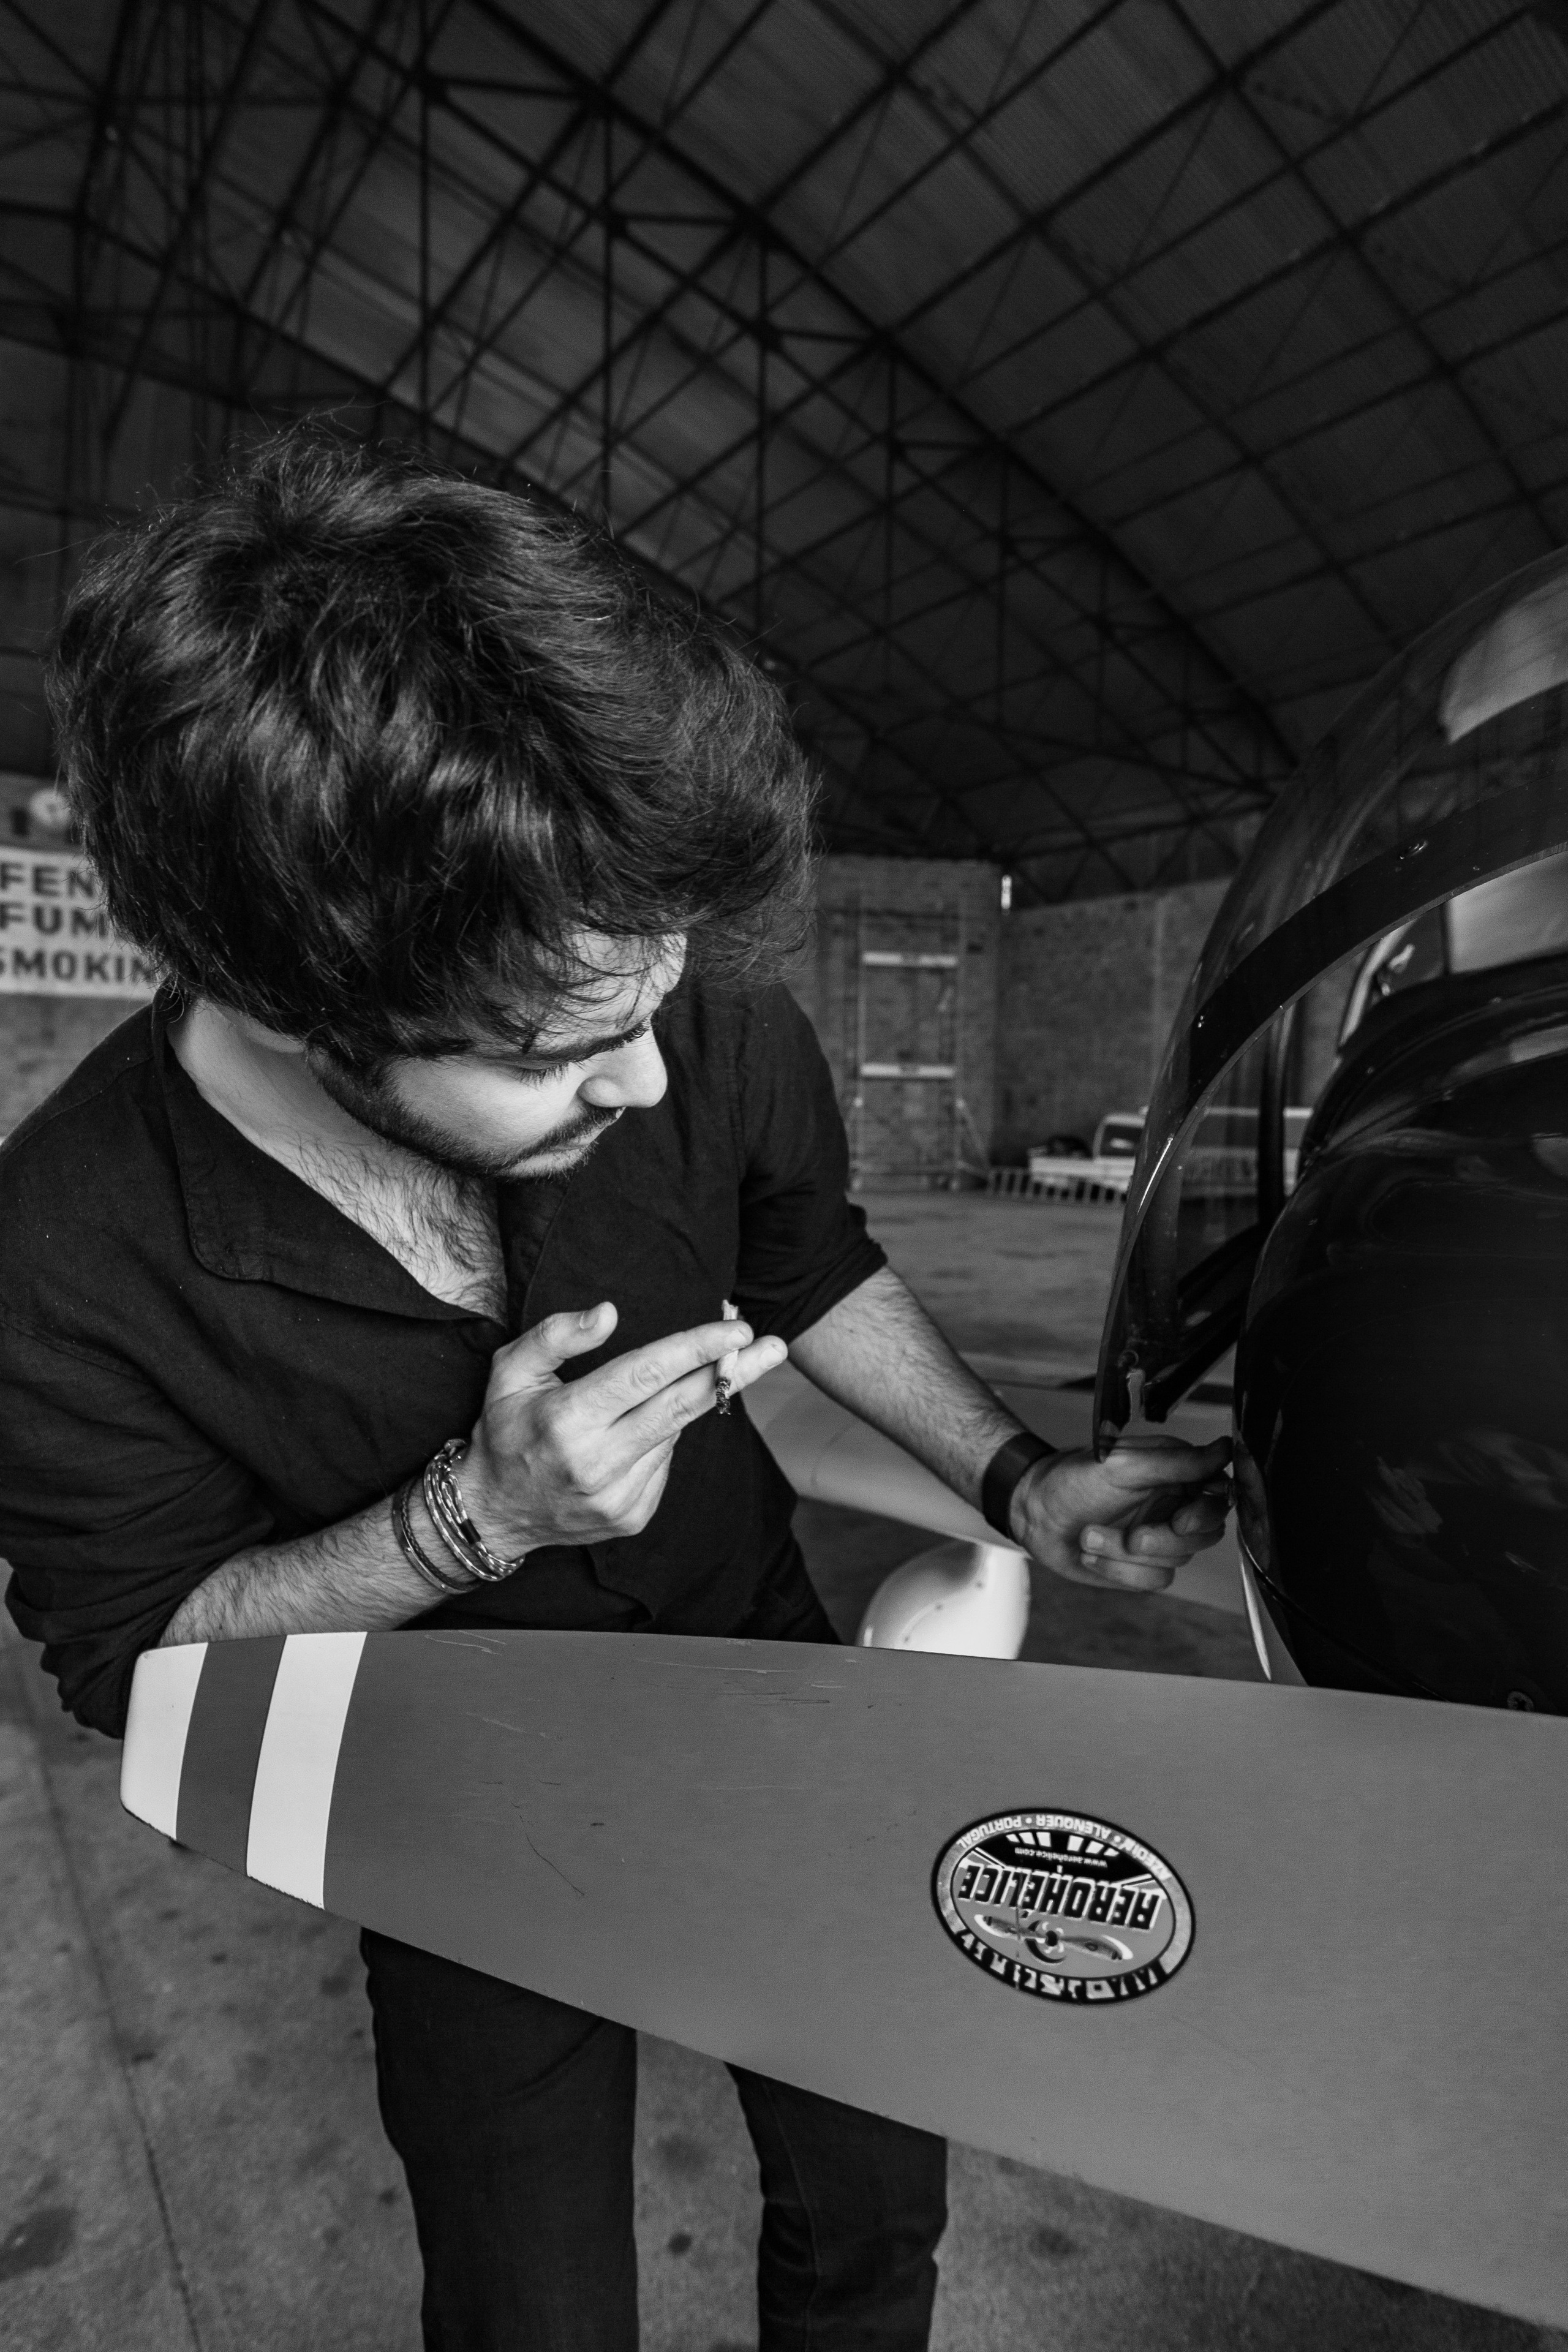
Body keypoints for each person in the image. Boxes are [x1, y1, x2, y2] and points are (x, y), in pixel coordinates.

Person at [0, 433, 1230, 2352]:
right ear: (299, 1003)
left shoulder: (686, 1003)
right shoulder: (67, 1249)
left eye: (657, 999)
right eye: (560, 1048)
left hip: (769, 1677)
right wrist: (469, 1523)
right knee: (530, 2302)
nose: (649, 1079)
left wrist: (1014, 1482)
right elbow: (138, 1653)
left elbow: (810, 1264)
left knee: (872, 2215)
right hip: (459, 1793)